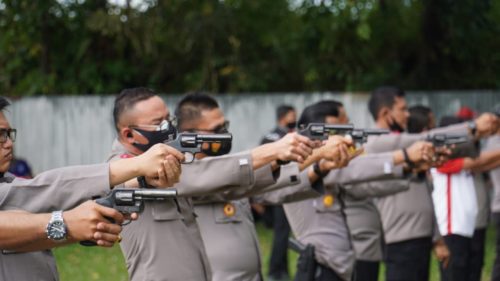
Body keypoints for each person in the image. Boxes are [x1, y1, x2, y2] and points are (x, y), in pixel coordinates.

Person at [109, 88, 317, 281]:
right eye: (159, 122)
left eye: (168, 119)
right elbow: (197, 174)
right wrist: (272, 152)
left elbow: (237, 180)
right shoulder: (122, 169)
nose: (169, 127)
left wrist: (305, 164)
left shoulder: (171, 159)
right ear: (129, 134)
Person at [0, 96, 184, 280]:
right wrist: (136, 166)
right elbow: (44, 190)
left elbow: (47, 202)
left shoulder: (8, 181)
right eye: (0, 134)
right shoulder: (15, 191)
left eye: (8, 134)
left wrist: (141, 180)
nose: (8, 143)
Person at [345, 87, 498, 281]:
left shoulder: (395, 142)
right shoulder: (379, 143)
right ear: (385, 113)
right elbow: (424, 139)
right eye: (402, 109)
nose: (407, 114)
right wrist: (472, 129)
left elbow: (426, 193)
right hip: (400, 240)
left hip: (419, 238)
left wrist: (435, 237)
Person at [280, 100, 437, 281]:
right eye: (335, 130)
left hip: (346, 262)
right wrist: (405, 157)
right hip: (321, 266)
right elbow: (358, 169)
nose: (343, 136)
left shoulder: (325, 165)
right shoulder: (303, 166)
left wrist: (409, 169)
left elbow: (365, 185)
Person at [432, 115, 500, 281]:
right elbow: (478, 162)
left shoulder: (459, 157)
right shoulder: (441, 159)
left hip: (465, 228)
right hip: (451, 229)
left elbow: (486, 163)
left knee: (470, 272)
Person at [260, 104, 297, 281]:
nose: (294, 119)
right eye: (292, 116)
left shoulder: (285, 136)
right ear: (283, 117)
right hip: (277, 190)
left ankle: (282, 270)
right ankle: (276, 271)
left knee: (283, 232)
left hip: (288, 188)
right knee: (281, 232)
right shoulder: (274, 138)